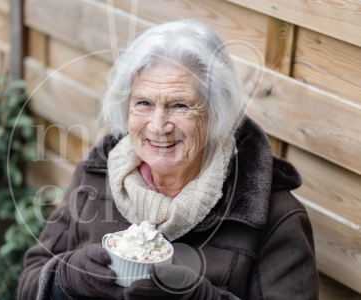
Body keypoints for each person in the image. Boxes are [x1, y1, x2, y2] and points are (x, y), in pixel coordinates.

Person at [18, 19, 319, 300]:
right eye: (144, 103)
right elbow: (30, 279)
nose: (158, 126)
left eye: (179, 105)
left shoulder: (274, 216)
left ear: (216, 115)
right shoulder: (97, 171)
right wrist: (64, 280)